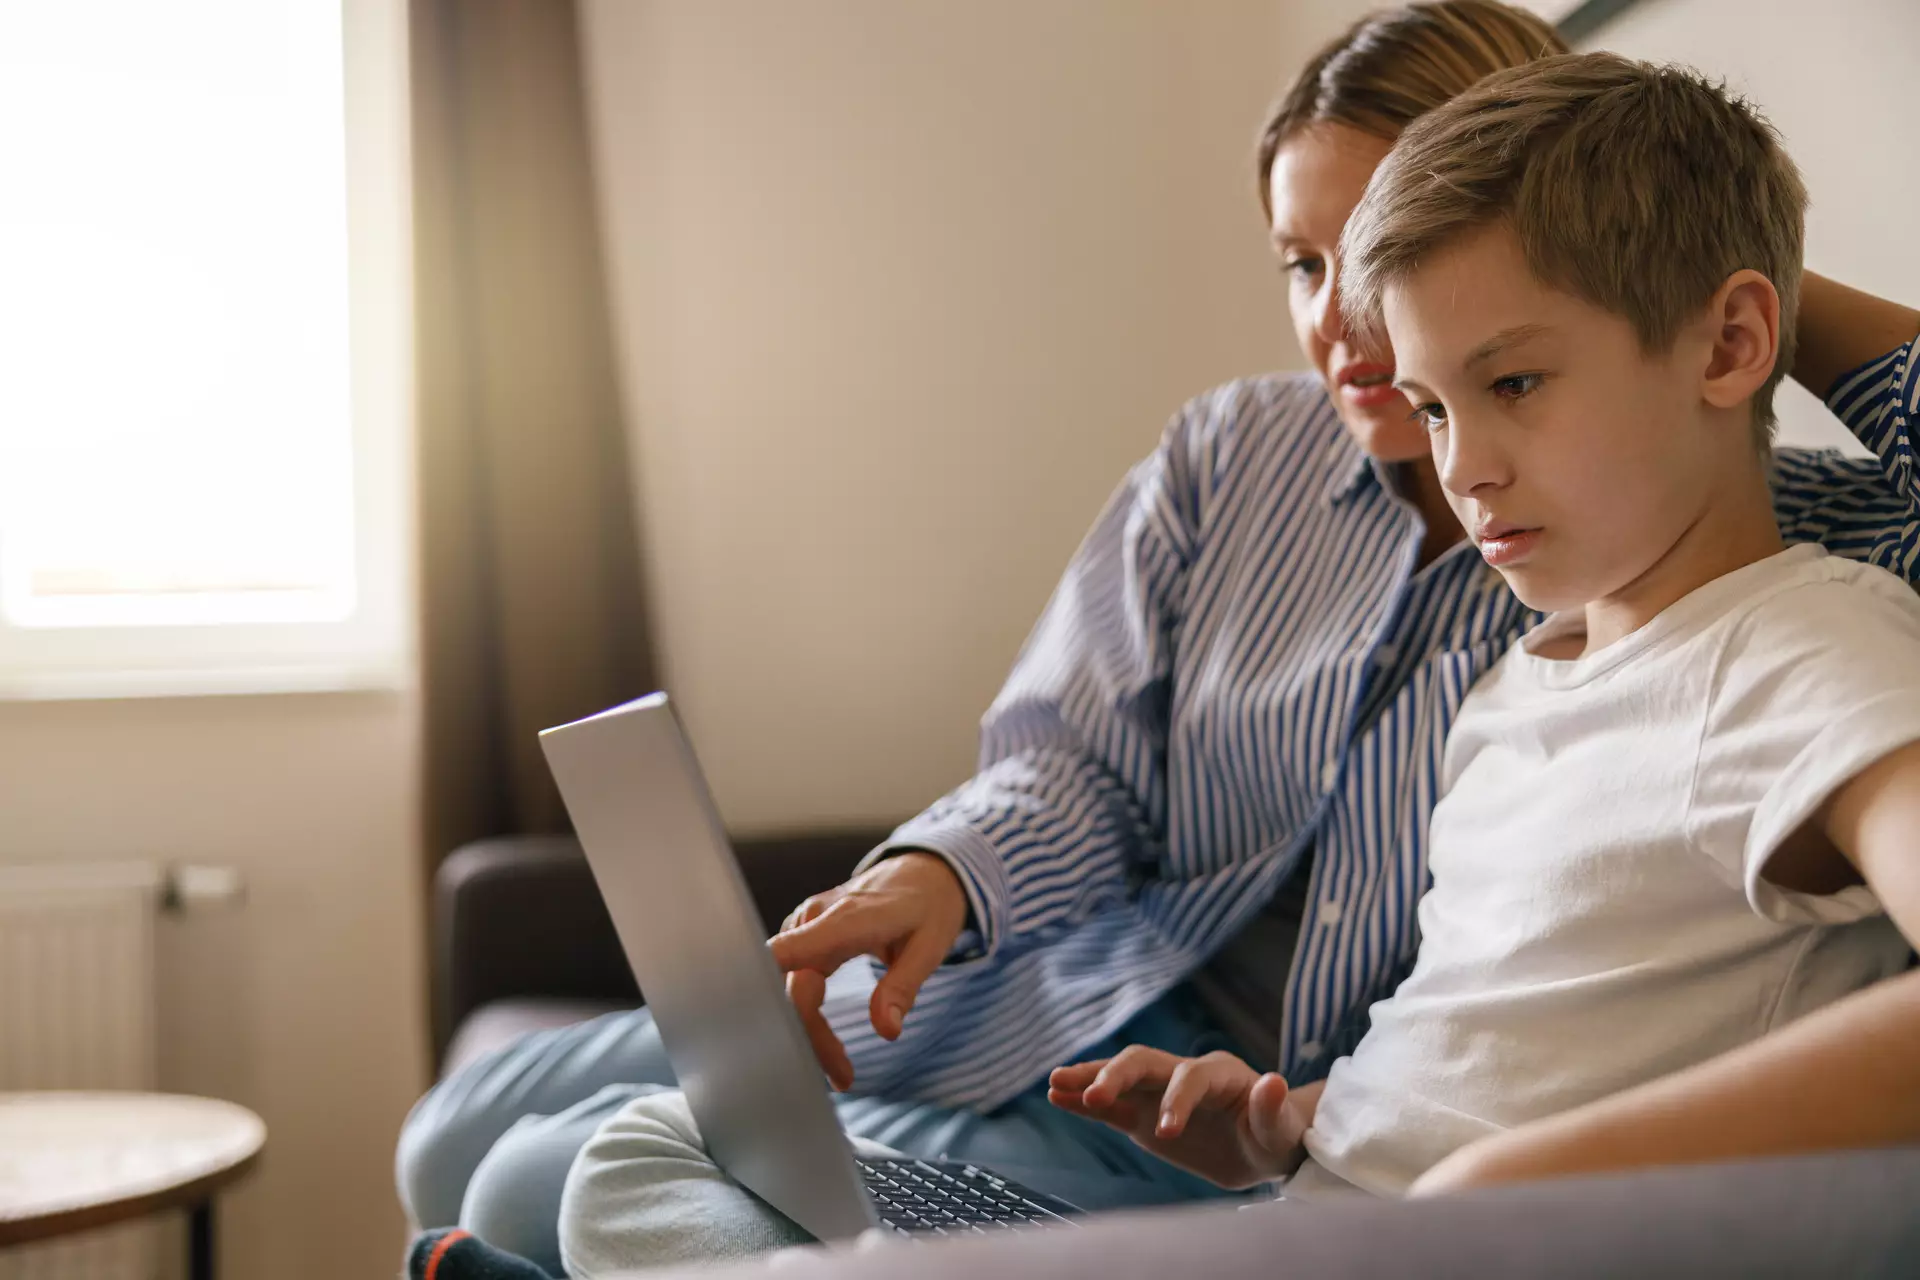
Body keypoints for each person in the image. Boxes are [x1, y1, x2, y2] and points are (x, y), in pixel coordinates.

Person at [394, 3, 1920, 1272]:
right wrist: (949, 883)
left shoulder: (1762, 601)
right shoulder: (1343, 533)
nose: (1351, 334)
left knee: (564, 1186)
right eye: (1308, 268)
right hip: (1150, 1048)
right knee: (512, 1150)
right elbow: (1078, 772)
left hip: (1309, 1196)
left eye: (1499, 368)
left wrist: (1687, 247)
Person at [1050, 50, 1920, 1203]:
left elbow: (1504, 1141)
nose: (1463, 465)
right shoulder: (1517, 688)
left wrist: (1519, 1177)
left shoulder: (1801, 653)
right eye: (1429, 405)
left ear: (1730, 343)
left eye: (1512, 384)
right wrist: (1291, 1125)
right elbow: (1482, 1059)